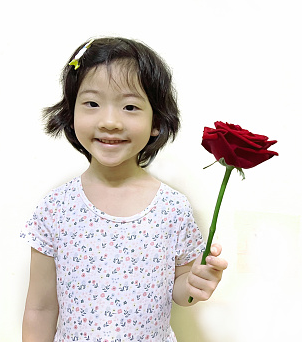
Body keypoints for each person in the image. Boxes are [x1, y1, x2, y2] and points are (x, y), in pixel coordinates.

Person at [21, 37, 228, 342]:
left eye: (130, 106)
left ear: (156, 121)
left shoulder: (172, 208)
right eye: (92, 103)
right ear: (71, 112)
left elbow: (180, 291)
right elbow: (40, 308)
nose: (110, 121)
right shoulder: (55, 208)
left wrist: (196, 284)